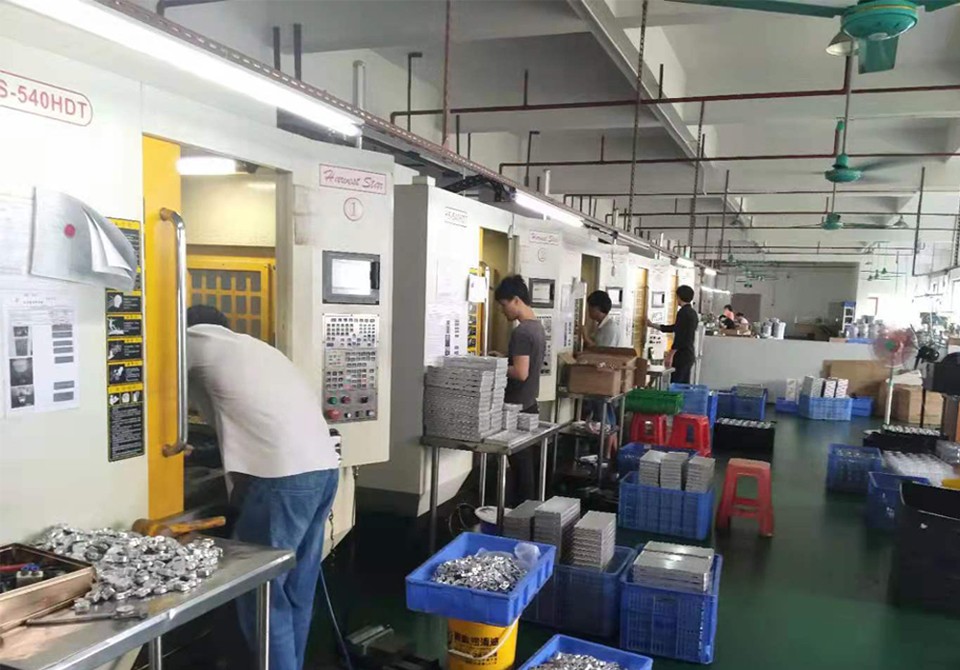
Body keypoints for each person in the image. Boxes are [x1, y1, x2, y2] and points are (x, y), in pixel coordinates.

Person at [182, 305, 339, 670]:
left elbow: (151, 385)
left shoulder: (191, 339)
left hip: (283, 480)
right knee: (296, 590)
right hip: (324, 470)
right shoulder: (254, 348)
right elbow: (256, 422)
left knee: (263, 593)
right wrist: (201, 453)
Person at [494, 276, 546, 504]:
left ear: (516, 300)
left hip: (517, 409)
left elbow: (520, 372)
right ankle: (526, 512)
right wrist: (505, 358)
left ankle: (520, 515)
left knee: (521, 471)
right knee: (526, 469)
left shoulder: (521, 332)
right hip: (530, 404)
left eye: (504, 305)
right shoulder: (537, 326)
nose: (502, 311)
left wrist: (494, 366)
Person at [648, 284, 699, 384]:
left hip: (681, 355)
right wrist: (653, 325)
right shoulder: (693, 313)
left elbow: (680, 336)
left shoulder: (683, 313)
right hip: (689, 354)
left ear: (679, 297)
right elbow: (675, 328)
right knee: (683, 385)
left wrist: (671, 354)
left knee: (676, 384)